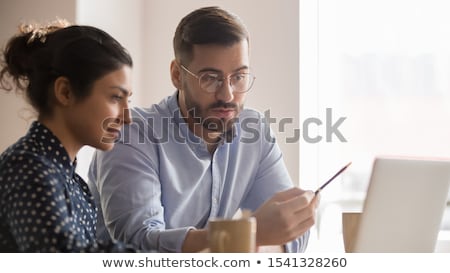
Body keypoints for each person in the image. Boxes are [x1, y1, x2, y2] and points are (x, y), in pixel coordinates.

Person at [88, 6, 318, 253]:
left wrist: (252, 240)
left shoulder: (255, 132)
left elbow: (295, 237)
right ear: (177, 75)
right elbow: (140, 245)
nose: (227, 94)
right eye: (210, 78)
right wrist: (248, 236)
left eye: (239, 77)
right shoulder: (130, 132)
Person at [0, 19, 135, 252]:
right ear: (65, 92)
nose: (127, 117)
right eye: (115, 97)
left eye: (128, 100)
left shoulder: (72, 182)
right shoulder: (27, 167)